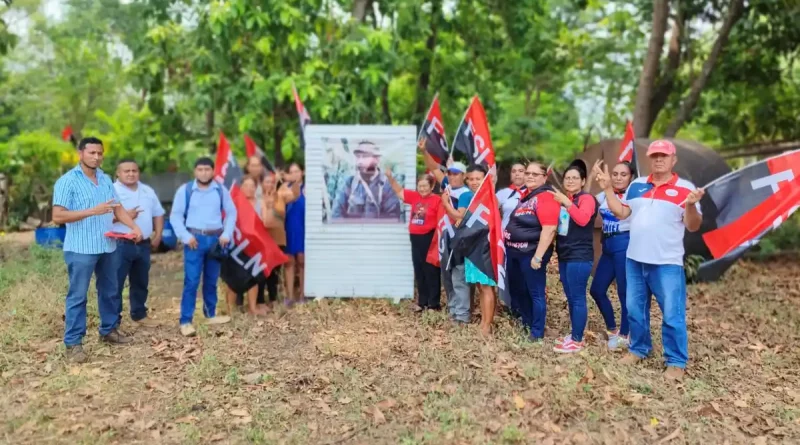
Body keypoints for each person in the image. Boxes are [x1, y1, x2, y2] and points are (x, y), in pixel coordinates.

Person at [594, 139, 704, 381]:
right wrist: (607, 189)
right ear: (649, 159)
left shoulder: (686, 189)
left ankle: (675, 361)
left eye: (664, 156)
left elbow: (693, 225)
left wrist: (692, 206)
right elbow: (622, 212)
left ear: (673, 160)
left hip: (667, 263)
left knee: (672, 314)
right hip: (634, 259)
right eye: (654, 156)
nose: (659, 160)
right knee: (635, 309)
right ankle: (639, 349)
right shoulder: (637, 185)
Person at [52, 137, 144, 363]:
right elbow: (58, 216)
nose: (96, 157)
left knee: (111, 290)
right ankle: (73, 343)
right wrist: (92, 211)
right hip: (81, 248)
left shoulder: (104, 180)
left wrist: (133, 226)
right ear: (80, 153)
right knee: (78, 295)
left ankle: (109, 331)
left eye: (99, 153)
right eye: (92, 152)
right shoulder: (67, 181)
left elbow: (117, 208)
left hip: (107, 245)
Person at [170, 157, 237, 337]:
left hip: (215, 239)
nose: (204, 173)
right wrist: (186, 236)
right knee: (191, 281)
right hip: (194, 240)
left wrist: (226, 233)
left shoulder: (220, 190)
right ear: (195, 171)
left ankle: (210, 314)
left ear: (213, 171)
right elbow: (175, 217)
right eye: (200, 170)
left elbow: (231, 213)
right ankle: (185, 321)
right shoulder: (186, 191)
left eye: (207, 170)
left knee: (211, 279)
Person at [503, 161, 560, 341]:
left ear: (544, 177)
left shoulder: (546, 197)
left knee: (535, 292)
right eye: (528, 173)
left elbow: (549, 229)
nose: (529, 176)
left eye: (535, 174)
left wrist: (538, 256)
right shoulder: (527, 196)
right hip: (514, 252)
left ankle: (536, 332)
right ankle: (527, 324)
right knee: (519, 291)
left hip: (531, 253)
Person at [549, 160, 598, 353]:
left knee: (577, 297)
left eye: (574, 178)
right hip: (565, 254)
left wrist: (567, 203)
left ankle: (577, 340)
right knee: (570, 296)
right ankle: (574, 332)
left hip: (580, 256)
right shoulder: (569, 199)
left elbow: (583, 219)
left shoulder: (586, 199)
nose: (570, 180)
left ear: (583, 181)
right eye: (567, 178)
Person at [444, 164, 497, 335]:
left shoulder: (490, 197)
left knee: (487, 286)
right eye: (471, 179)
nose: (474, 182)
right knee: (482, 287)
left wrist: (445, 204)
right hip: (472, 248)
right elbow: (461, 221)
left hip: (486, 248)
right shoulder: (467, 195)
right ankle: (483, 322)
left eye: (478, 179)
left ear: (485, 179)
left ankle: (487, 325)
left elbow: (460, 218)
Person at [112, 159, 165, 328]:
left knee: (141, 281)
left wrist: (158, 234)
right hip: (120, 243)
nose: (130, 174)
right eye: (126, 171)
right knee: (115, 282)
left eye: (134, 170)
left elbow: (158, 213)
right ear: (118, 174)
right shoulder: (112, 191)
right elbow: (101, 218)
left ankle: (139, 314)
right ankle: (113, 320)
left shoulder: (147, 190)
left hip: (143, 244)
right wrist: (125, 215)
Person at [588, 160, 635, 350]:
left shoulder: (633, 195)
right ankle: (613, 329)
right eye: (615, 173)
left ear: (631, 177)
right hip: (607, 244)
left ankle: (625, 334)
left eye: (623, 174)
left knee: (624, 291)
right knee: (596, 290)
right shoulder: (603, 193)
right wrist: (591, 177)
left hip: (625, 243)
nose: (618, 177)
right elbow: (584, 202)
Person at [385, 170, 442, 312]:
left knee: (431, 270)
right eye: (420, 186)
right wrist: (390, 177)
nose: (422, 189)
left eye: (425, 186)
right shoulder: (415, 197)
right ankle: (422, 302)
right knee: (419, 269)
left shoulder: (437, 200)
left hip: (429, 238)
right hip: (415, 239)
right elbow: (398, 190)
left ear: (432, 185)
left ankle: (433, 304)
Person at [226, 176, 267, 317]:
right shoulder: (234, 203)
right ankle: (231, 309)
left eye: (252, 185)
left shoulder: (260, 203)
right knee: (233, 277)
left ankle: (252, 307)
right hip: (236, 245)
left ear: (256, 188)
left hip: (254, 246)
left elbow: (265, 223)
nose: (249, 188)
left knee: (253, 276)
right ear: (241, 187)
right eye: (246, 185)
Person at [330, 141, 402, 221]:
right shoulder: (349, 183)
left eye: (364, 157)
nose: (359, 161)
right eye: (358, 157)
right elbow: (336, 214)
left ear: (376, 159)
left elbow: (392, 218)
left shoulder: (387, 186)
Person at [495, 163, 526, 309]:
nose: (517, 174)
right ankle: (511, 306)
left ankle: (526, 308)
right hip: (507, 240)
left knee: (525, 276)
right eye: (514, 171)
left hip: (528, 241)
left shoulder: (534, 192)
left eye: (521, 171)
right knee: (509, 273)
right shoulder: (504, 193)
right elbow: (489, 205)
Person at [261, 171, 293, 307]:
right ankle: (262, 300)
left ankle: (274, 299)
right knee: (265, 271)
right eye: (267, 182)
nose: (269, 184)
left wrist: (283, 181)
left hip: (279, 238)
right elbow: (266, 223)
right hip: (265, 239)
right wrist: (268, 207)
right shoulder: (260, 198)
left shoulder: (280, 195)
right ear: (262, 184)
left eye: (272, 182)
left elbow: (291, 195)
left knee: (275, 270)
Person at [284, 162, 306, 306]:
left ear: (302, 172)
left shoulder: (308, 188)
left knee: (302, 261)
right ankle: (290, 296)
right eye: (291, 172)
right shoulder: (285, 189)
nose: (294, 174)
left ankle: (304, 294)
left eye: (297, 171)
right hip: (289, 227)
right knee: (289, 261)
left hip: (304, 227)